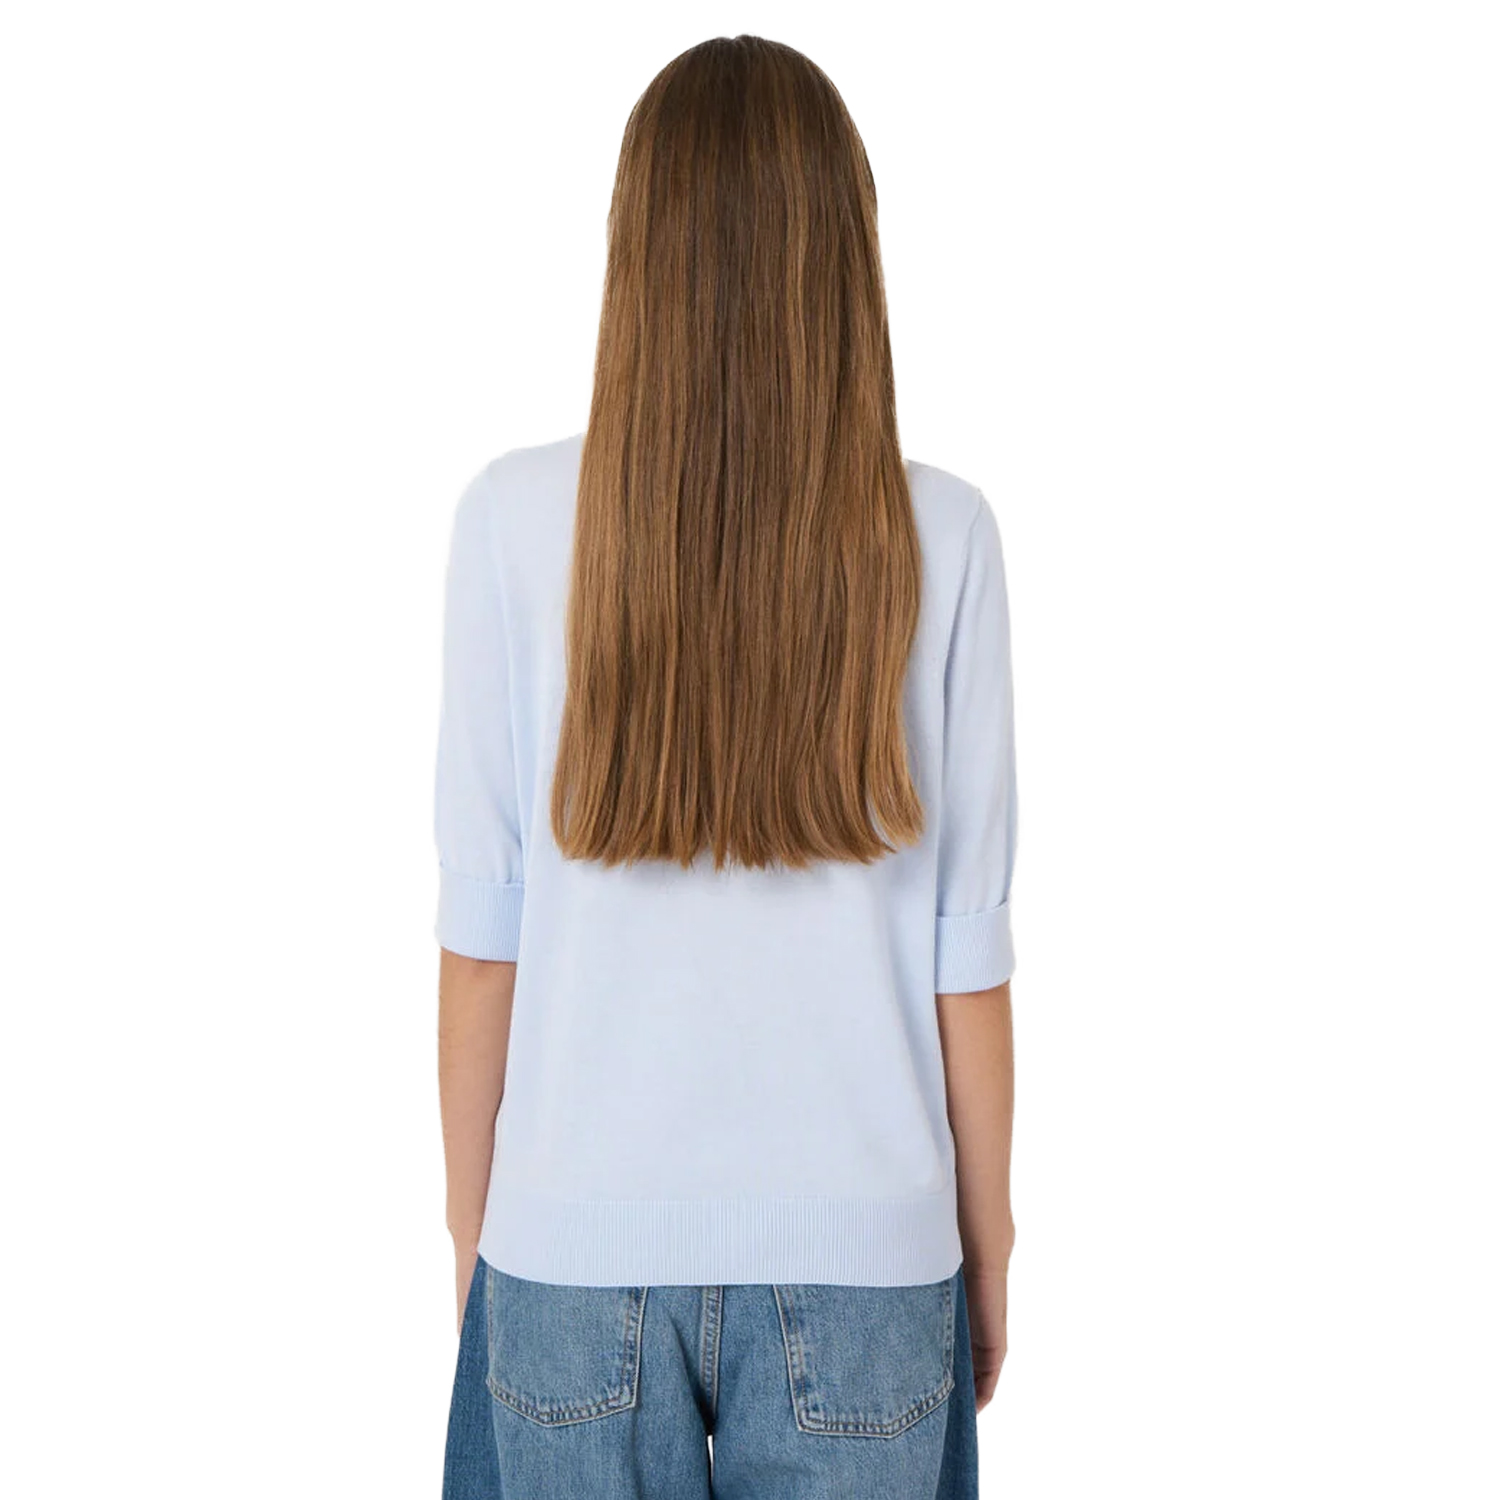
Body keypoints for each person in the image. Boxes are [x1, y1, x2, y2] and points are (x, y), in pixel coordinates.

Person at [434, 34, 1017, 1500]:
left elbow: (484, 946)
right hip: (869, 1256)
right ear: (846, 255)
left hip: (571, 1248)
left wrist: (477, 1238)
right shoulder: (943, 536)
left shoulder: (510, 522)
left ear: (637, 251)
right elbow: (967, 961)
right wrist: (991, 1242)